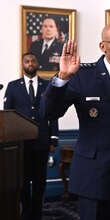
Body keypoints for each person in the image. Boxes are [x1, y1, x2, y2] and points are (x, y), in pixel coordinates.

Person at [40, 23, 110, 220]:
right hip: (94, 177)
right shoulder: (83, 76)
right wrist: (62, 78)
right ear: (103, 46)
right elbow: (48, 113)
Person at [3, 53, 59, 220]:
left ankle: (38, 213)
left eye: (33, 61)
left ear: (37, 64)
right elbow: (7, 114)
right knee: (23, 182)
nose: (30, 64)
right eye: (27, 61)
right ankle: (26, 213)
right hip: (20, 144)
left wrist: (54, 138)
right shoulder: (12, 86)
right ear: (22, 64)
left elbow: (53, 114)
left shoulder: (47, 85)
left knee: (40, 181)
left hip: (42, 141)